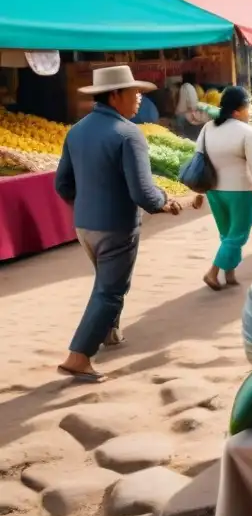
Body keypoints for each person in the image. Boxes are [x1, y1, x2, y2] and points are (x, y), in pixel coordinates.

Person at [54, 66, 183, 383]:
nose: (139, 98)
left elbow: (62, 185)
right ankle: (79, 356)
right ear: (115, 95)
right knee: (111, 291)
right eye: (134, 92)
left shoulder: (77, 131)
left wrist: (88, 202)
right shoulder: (129, 134)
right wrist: (163, 201)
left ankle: (110, 334)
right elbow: (143, 192)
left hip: (84, 225)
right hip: (116, 227)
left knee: (105, 281)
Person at [191, 87, 252, 291]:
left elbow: (198, 159)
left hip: (213, 191)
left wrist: (199, 192)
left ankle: (230, 274)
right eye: (247, 107)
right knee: (238, 236)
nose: (249, 112)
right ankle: (213, 272)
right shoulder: (247, 132)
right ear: (237, 111)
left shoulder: (208, 128)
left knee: (227, 234)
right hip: (239, 191)